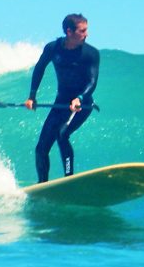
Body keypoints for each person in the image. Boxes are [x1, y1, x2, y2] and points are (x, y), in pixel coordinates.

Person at [25, 13, 100, 183]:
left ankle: (68, 179)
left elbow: (92, 81)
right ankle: (42, 184)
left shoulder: (91, 53)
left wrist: (80, 98)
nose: (86, 34)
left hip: (82, 104)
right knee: (41, 148)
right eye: (82, 31)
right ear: (69, 31)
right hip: (61, 103)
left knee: (62, 134)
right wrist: (32, 96)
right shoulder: (53, 48)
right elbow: (39, 68)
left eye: (86, 30)